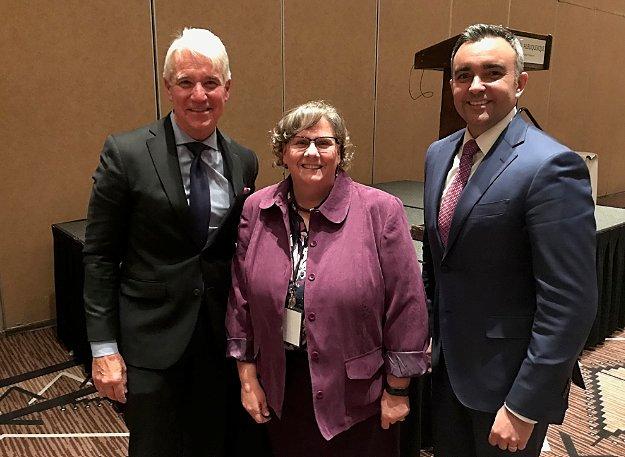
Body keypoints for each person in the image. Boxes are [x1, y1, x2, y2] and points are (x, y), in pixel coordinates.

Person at [83, 27, 268, 457]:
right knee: (155, 447)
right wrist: (103, 347)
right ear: (168, 87)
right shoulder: (126, 154)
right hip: (151, 340)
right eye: (185, 82)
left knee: (215, 442)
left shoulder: (244, 161)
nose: (198, 95)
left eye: (210, 82)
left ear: (228, 88)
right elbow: (100, 256)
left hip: (220, 339)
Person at [421, 24, 597, 456]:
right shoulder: (439, 154)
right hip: (444, 372)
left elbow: (569, 302)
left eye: (491, 73)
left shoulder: (552, 166)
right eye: (463, 75)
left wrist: (524, 405)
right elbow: (439, 263)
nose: (475, 86)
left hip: (507, 384)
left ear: (520, 84)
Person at [226, 100, 429, 457]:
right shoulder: (257, 209)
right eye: (300, 142)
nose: (312, 152)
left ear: (340, 151)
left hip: (356, 396)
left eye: (324, 142)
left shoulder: (380, 210)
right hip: (283, 386)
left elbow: (407, 304)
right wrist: (247, 379)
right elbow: (240, 299)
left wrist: (397, 390)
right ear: (283, 153)